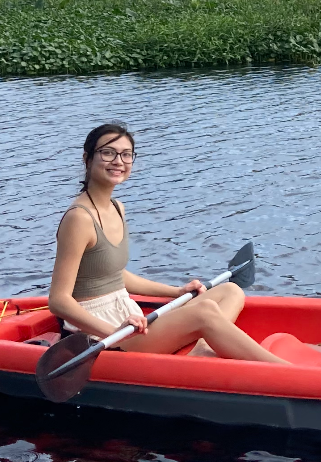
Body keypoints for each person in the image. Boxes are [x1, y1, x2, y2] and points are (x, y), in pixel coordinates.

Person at [49, 123, 286, 363]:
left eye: (126, 154)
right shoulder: (79, 218)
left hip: (128, 317)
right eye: (108, 152)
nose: (118, 161)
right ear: (87, 159)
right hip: (100, 334)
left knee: (230, 290)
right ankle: (286, 373)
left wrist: (178, 292)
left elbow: (115, 276)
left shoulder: (116, 208)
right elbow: (59, 300)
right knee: (205, 312)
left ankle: (202, 347)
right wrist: (114, 334)